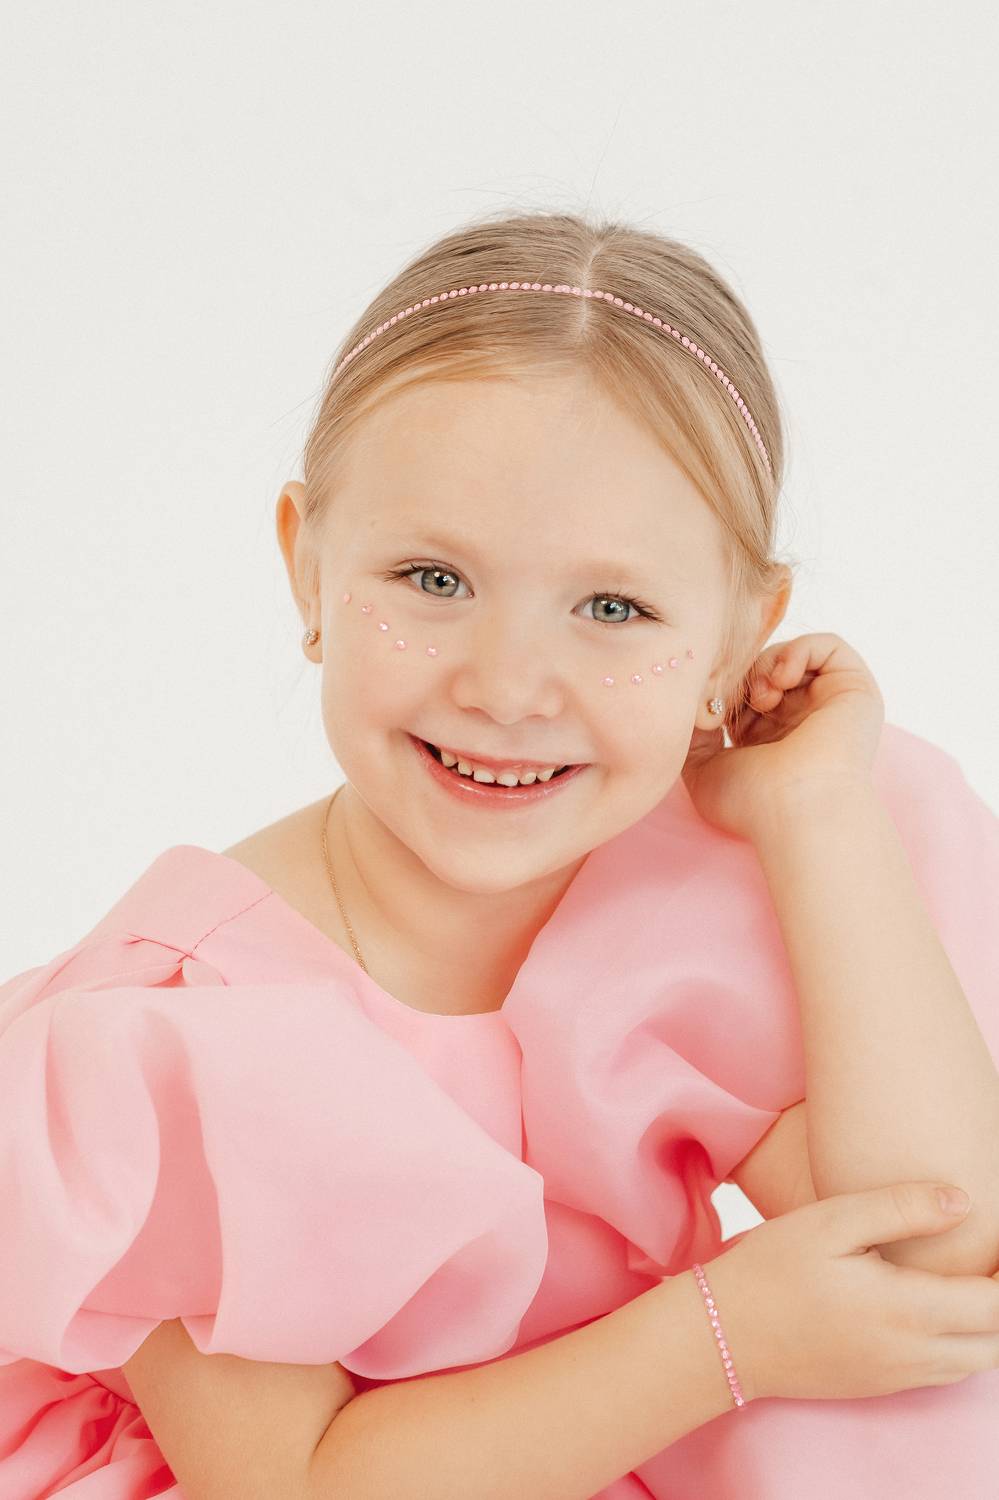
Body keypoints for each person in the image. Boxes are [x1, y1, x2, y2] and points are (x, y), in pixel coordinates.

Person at [2, 207, 998, 1500]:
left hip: (606, 1432)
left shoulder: (695, 878)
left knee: (940, 1413)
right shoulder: (179, 1045)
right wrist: (727, 1337)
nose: (508, 686)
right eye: (433, 580)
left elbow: (932, 1266)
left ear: (735, 637)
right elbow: (296, 1485)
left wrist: (817, 816)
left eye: (612, 607)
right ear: (308, 570)